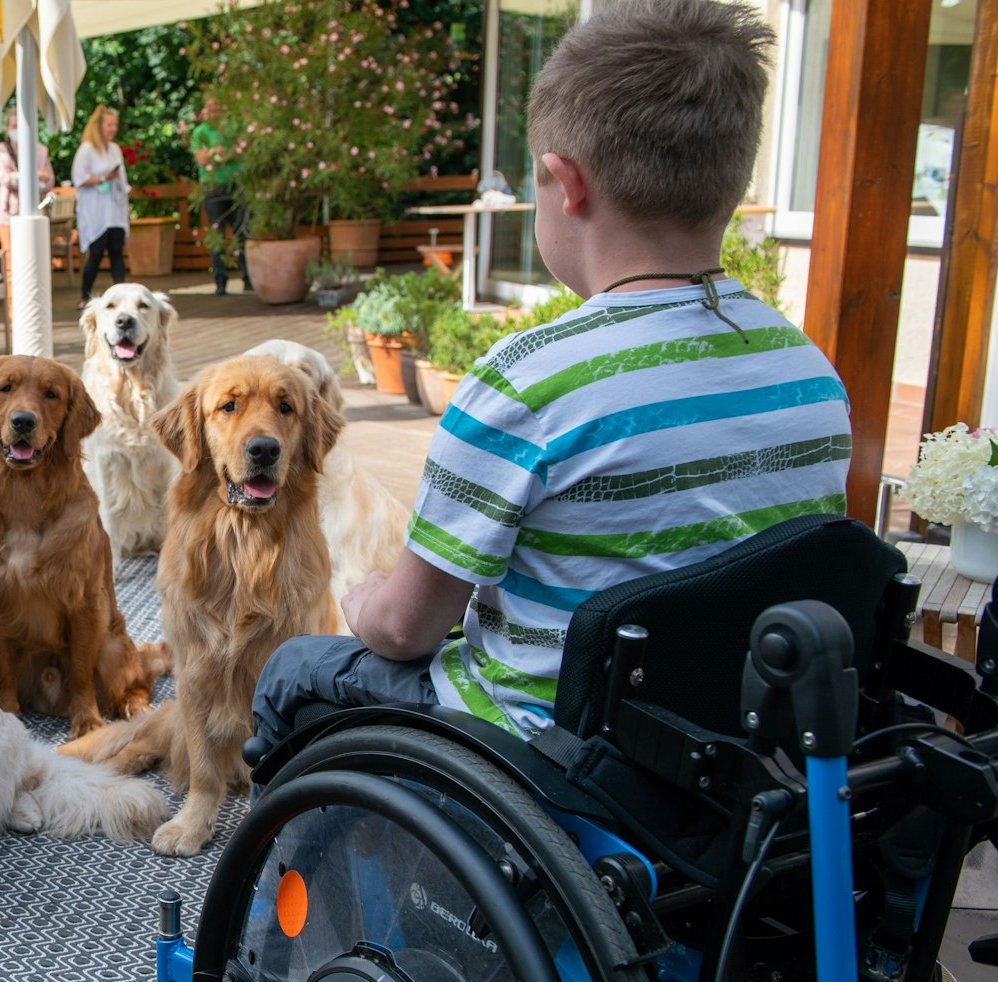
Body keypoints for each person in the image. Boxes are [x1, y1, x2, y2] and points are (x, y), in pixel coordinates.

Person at [251, 0, 852, 746]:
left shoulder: (526, 385)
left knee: (294, 669)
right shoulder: (811, 377)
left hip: (550, 753)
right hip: (730, 754)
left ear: (566, 184)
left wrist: (365, 595)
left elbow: (408, 629)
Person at [189, 94, 251, 296]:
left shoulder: (232, 128)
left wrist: (216, 154)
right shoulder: (200, 132)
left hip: (235, 185)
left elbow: (237, 151)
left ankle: (248, 278)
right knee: (217, 234)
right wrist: (219, 153)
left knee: (242, 232)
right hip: (212, 187)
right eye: (209, 108)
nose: (213, 111)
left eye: (216, 107)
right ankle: (220, 281)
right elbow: (201, 159)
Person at [72, 105, 130, 308]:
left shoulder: (115, 149)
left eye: (115, 124)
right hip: (95, 210)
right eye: (109, 124)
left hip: (114, 209)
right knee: (96, 253)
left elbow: (122, 180)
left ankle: (122, 294)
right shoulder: (87, 149)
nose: (113, 129)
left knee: (117, 252)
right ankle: (85, 295)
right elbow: (78, 178)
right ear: (99, 126)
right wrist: (104, 177)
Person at [0, 105, 55, 231]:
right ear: (7, 129)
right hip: (9, 213)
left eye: (20, 126)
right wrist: (35, 176)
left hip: (36, 210)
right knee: (10, 250)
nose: (18, 130)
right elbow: (5, 179)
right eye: (14, 127)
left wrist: (18, 177)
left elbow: (49, 180)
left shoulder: (40, 150)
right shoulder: (1, 152)